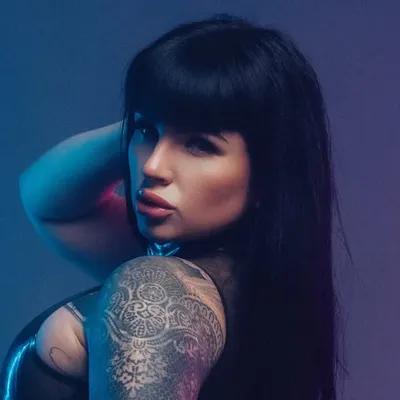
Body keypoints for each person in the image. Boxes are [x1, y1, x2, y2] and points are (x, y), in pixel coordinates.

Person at [1, 14, 347, 399]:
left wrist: (165, 114)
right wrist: (166, 108)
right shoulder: (250, 287)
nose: (153, 166)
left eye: (200, 144)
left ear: (271, 171)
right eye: (146, 132)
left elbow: (48, 204)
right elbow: (46, 199)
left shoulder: (156, 289)